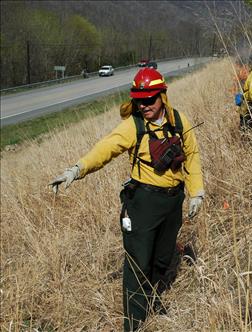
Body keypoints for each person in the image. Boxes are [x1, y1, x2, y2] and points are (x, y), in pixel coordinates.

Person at [49, 67, 205, 331]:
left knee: (162, 259)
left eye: (149, 99)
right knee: (138, 263)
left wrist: (196, 192)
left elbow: (192, 156)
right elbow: (105, 148)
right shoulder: (133, 126)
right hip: (143, 203)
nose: (143, 105)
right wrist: (76, 170)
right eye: (138, 100)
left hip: (172, 202)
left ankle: (152, 301)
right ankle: (134, 323)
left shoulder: (179, 121)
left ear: (162, 96)